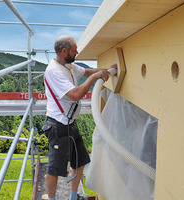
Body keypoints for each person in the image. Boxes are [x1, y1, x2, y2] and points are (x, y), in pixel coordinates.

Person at [42, 35, 116, 200]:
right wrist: (93, 78)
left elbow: (87, 71)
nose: (77, 52)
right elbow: (76, 94)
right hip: (58, 125)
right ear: (64, 51)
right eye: (74, 49)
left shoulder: (68, 66)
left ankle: (74, 197)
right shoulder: (54, 71)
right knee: (54, 169)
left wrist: (106, 70)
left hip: (70, 124)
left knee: (80, 160)